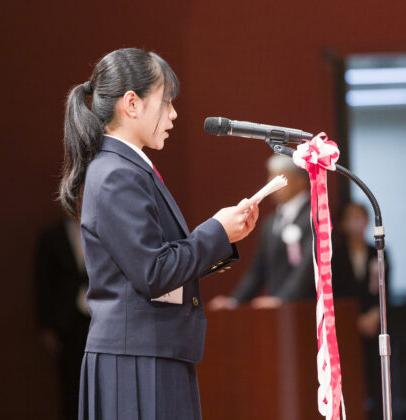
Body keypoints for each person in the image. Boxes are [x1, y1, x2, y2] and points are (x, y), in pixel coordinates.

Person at [59, 48, 259, 420]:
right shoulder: (118, 173)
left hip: (146, 352)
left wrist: (223, 235)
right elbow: (153, 272)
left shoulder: (125, 168)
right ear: (131, 104)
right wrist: (216, 231)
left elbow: (156, 264)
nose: (173, 114)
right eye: (165, 102)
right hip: (135, 358)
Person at [208, 154, 314, 310]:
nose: (272, 184)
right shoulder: (270, 221)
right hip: (277, 312)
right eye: (270, 177)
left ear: (300, 181)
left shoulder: (315, 216)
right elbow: (258, 268)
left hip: (307, 310)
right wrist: (235, 301)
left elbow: (309, 266)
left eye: (280, 178)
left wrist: (282, 299)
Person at [331, 202, 389, 420]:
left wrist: (374, 315)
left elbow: (385, 290)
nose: (355, 222)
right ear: (344, 223)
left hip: (372, 326)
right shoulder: (335, 254)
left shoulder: (379, 251)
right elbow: (334, 291)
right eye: (350, 218)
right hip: (345, 327)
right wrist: (351, 319)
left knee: (374, 378)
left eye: (360, 217)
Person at [35, 217, 90, 420]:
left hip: (99, 318)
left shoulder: (100, 231)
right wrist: (46, 326)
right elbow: (43, 283)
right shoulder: (51, 237)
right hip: (68, 321)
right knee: (71, 385)